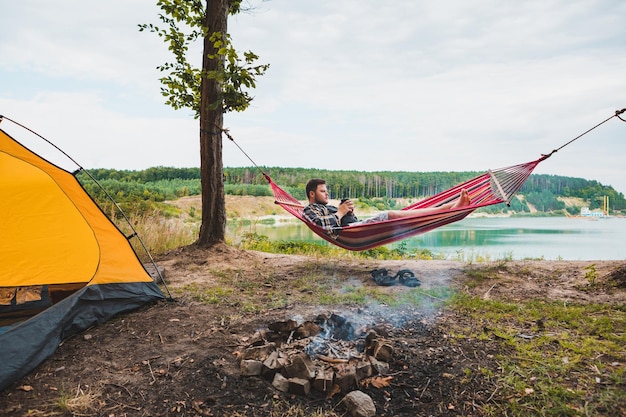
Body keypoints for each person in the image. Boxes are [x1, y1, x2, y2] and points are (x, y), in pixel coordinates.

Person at [303, 178, 471, 239]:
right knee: (390, 214)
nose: (327, 194)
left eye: (326, 191)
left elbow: (339, 219)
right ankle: (452, 208)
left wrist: (349, 213)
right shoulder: (309, 210)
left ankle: (452, 207)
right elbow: (323, 225)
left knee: (398, 214)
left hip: (356, 227)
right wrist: (340, 212)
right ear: (312, 194)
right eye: (322, 191)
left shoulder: (328, 207)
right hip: (351, 233)